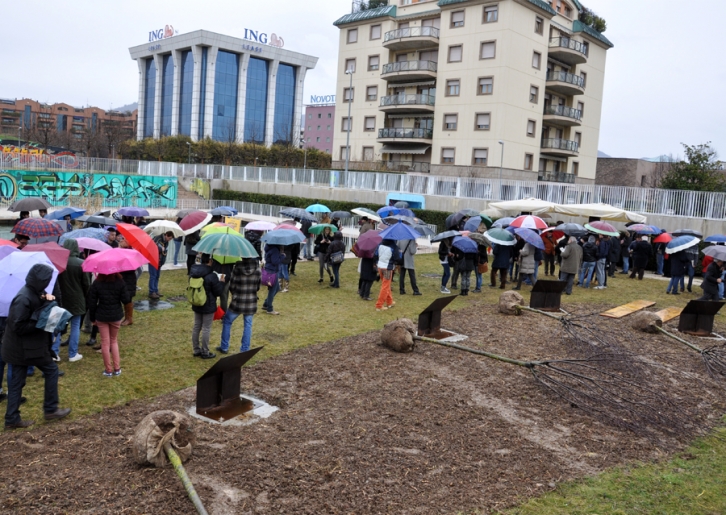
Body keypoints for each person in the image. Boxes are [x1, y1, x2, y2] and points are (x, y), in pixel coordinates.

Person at [2, 264, 71, 429]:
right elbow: (18, 326)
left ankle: (12, 419)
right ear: (39, 280)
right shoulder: (23, 298)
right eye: (46, 281)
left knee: (17, 382)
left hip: (25, 347)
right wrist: (41, 320)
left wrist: (46, 300)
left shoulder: (34, 292)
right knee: (51, 371)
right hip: (24, 348)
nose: (48, 284)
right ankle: (50, 409)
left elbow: (35, 308)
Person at [87, 272, 131, 376]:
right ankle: (117, 368)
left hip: (101, 316)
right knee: (113, 341)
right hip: (116, 316)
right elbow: (126, 300)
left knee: (105, 343)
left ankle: (108, 370)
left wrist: (92, 318)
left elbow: (92, 302)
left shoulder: (97, 283)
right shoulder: (120, 282)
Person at [56, 239, 91, 363]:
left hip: (61, 299)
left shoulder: (59, 263)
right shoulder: (81, 263)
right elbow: (86, 284)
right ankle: (72, 353)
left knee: (58, 326)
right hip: (77, 299)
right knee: (75, 326)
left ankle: (55, 353)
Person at [217, 258, 260, 354]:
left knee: (227, 321)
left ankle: (224, 347)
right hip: (251, 301)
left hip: (238, 301)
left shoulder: (237, 268)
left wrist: (235, 294)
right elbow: (257, 286)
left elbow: (232, 285)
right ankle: (245, 349)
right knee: (248, 325)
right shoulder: (257, 269)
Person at [189, 254, 225, 358]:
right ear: (209, 261)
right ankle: (205, 352)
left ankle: (196, 349)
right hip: (208, 305)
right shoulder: (212, 275)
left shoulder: (194, 273)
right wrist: (221, 283)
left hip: (196, 302)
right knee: (206, 328)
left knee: (196, 326)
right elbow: (218, 292)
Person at [118, 237, 137, 326]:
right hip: (123, 277)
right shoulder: (122, 251)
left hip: (128, 278)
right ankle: (126, 317)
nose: (121, 241)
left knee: (128, 298)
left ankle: (129, 318)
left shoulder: (131, 252)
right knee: (124, 297)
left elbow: (130, 267)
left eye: (124, 239)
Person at [375, 239, 398, 311]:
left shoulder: (380, 244)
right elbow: (397, 258)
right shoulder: (394, 247)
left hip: (380, 266)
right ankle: (379, 305)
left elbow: (375, 254)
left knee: (386, 285)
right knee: (385, 286)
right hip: (387, 268)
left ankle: (389, 301)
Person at [149, 231, 173, 299]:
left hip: (159, 261)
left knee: (157, 276)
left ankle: (156, 290)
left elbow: (164, 252)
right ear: (166, 235)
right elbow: (153, 246)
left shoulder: (166, 242)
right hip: (153, 260)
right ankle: (151, 292)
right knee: (153, 276)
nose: (170, 240)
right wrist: (160, 248)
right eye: (169, 238)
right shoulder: (157, 238)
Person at [262, 244, 283, 315]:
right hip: (272, 271)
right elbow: (275, 261)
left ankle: (266, 303)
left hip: (270, 270)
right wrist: (282, 256)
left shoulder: (269, 247)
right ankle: (269, 308)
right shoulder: (275, 249)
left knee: (277, 288)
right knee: (273, 290)